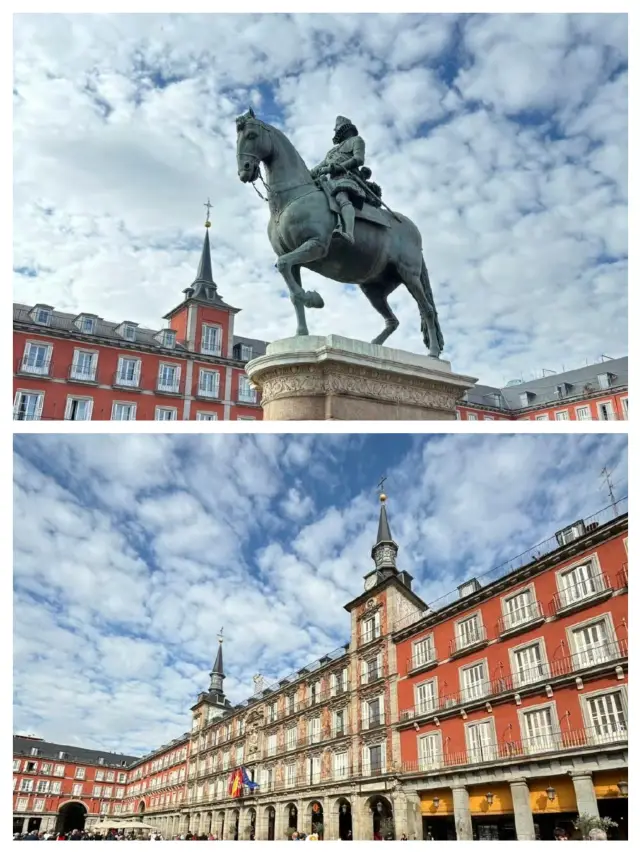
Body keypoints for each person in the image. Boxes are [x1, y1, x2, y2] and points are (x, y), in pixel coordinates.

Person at [310, 116, 367, 245]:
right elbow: (320, 166)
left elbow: (359, 159)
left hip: (347, 177)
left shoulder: (356, 140)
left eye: (337, 129)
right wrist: (307, 173)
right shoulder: (332, 151)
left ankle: (349, 234)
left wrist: (336, 167)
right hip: (329, 181)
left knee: (342, 197)